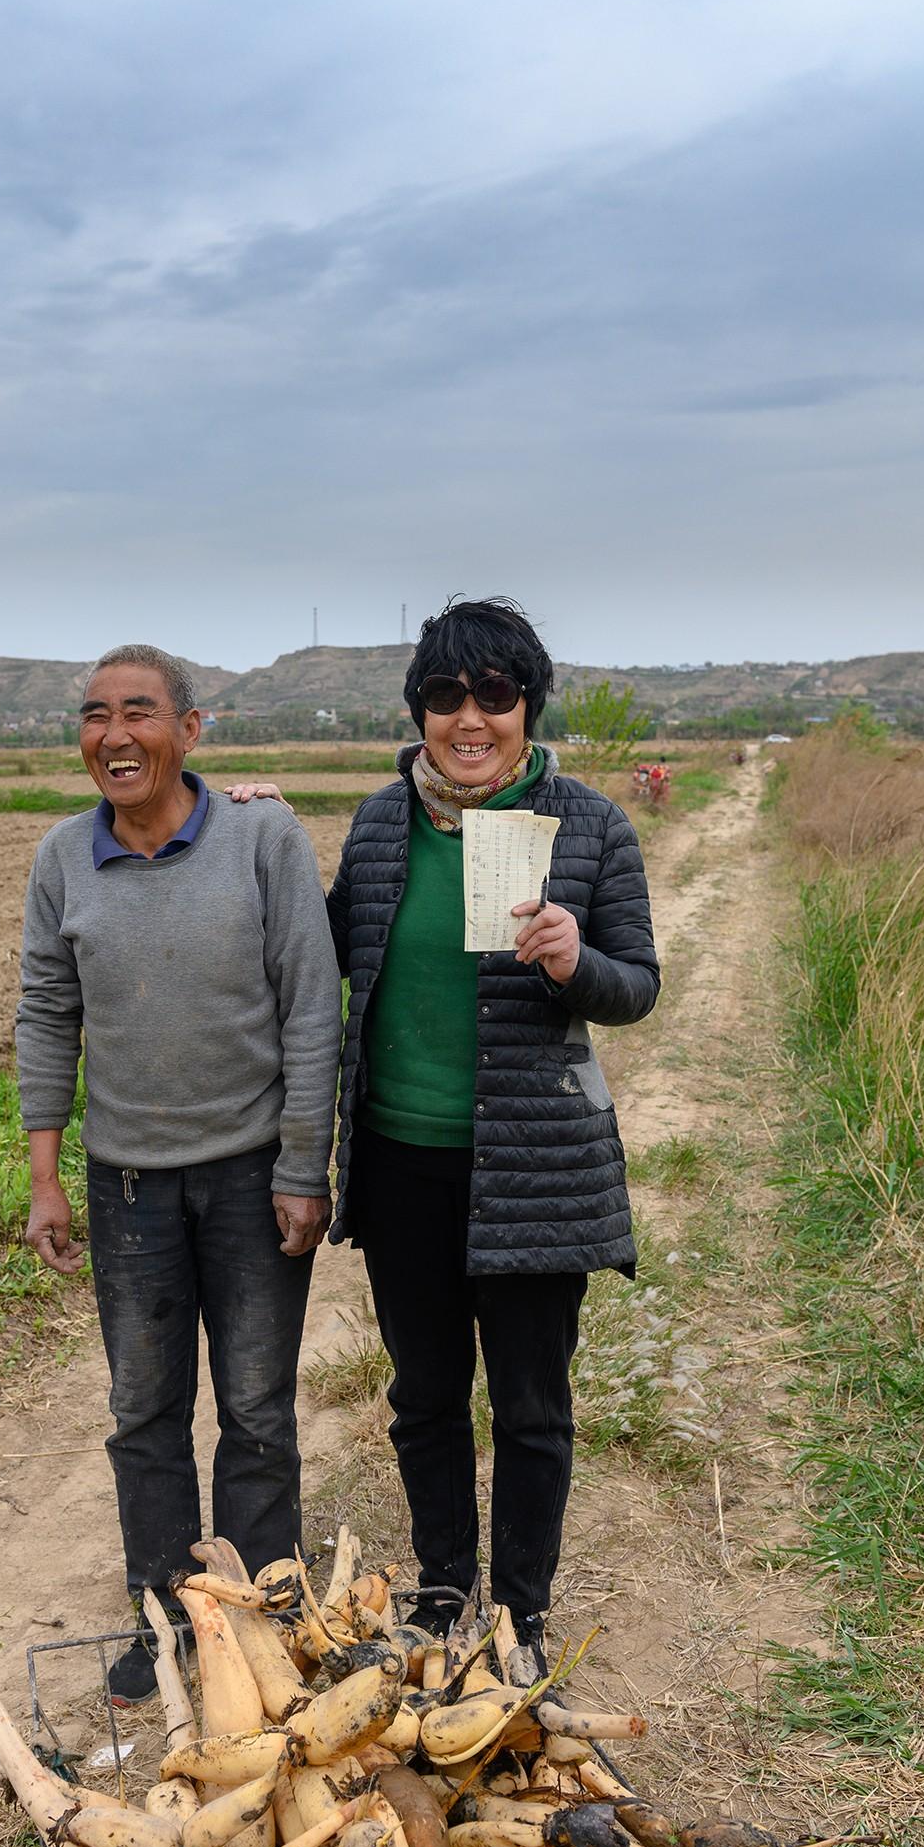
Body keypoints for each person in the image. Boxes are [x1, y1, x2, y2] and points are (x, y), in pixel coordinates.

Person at [326, 599, 660, 1664]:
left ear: (526, 705)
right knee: (423, 1397)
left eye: (493, 695)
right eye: (443, 696)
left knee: (528, 1405)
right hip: (400, 1158)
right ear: (418, 709)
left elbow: (636, 987)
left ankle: (517, 1610)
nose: (467, 718)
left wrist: (574, 960)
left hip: (531, 1162)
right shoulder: (382, 823)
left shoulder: (591, 825)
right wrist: (248, 831)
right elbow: (333, 943)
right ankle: (439, 1589)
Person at [15, 643, 342, 1702]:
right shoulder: (64, 859)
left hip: (252, 1179)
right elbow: (46, 1019)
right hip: (127, 1189)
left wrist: (303, 1162)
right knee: (143, 1411)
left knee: (255, 1408)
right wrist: (45, 1176)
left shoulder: (261, 836)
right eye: (95, 714)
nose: (115, 734)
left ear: (190, 731)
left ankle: (260, 1620)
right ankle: (163, 1622)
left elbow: (307, 1003)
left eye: (140, 712)